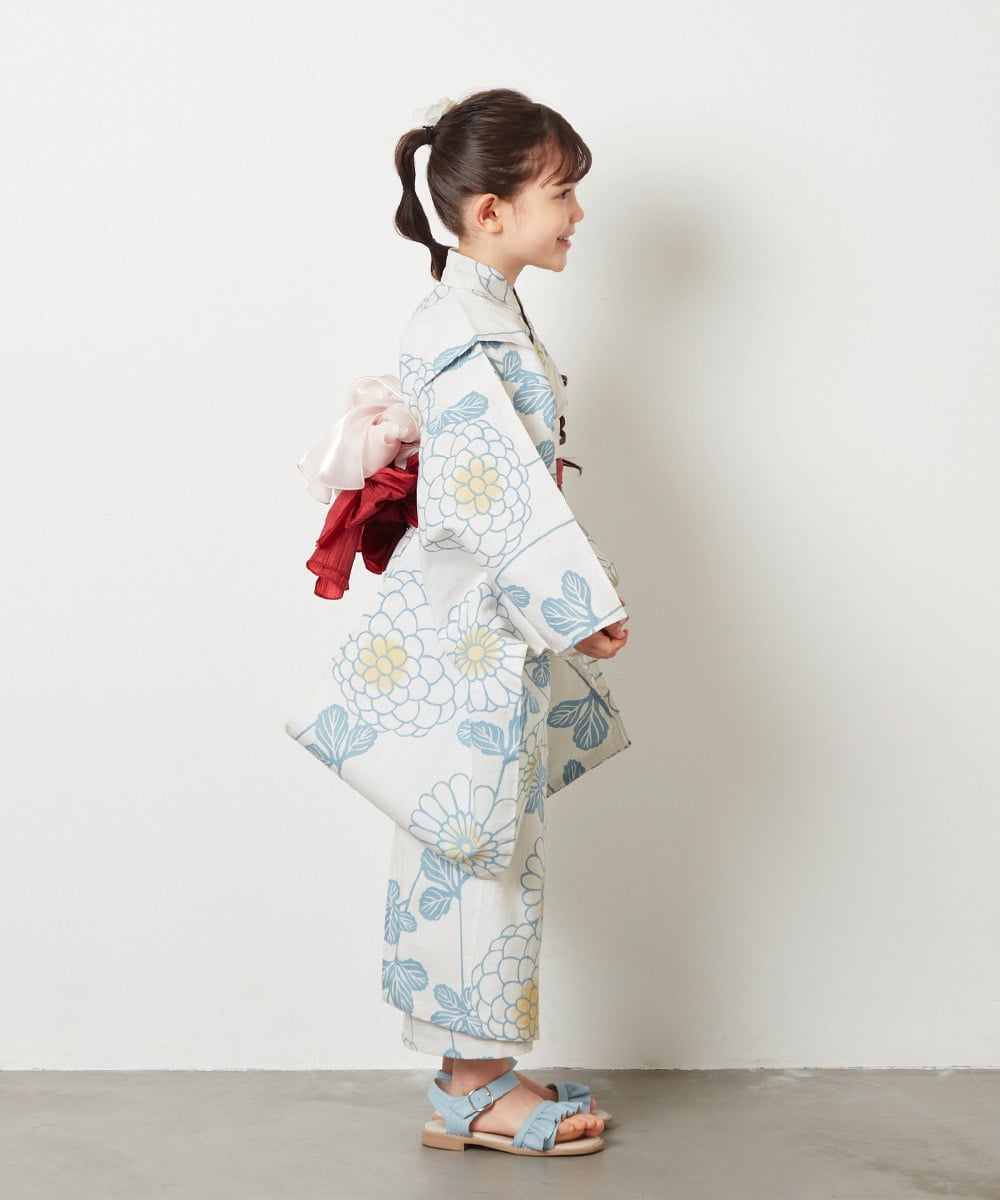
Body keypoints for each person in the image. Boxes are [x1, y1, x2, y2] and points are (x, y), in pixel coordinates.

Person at [288, 88, 631, 1156]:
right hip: (472, 625)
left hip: (481, 619)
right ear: (492, 211)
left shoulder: (478, 314)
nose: (577, 214)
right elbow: (488, 491)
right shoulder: (461, 326)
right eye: (562, 193)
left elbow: (498, 483)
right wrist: (577, 607)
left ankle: (470, 1070)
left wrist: (566, 607)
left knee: (474, 838)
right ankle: (476, 1090)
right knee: (476, 846)